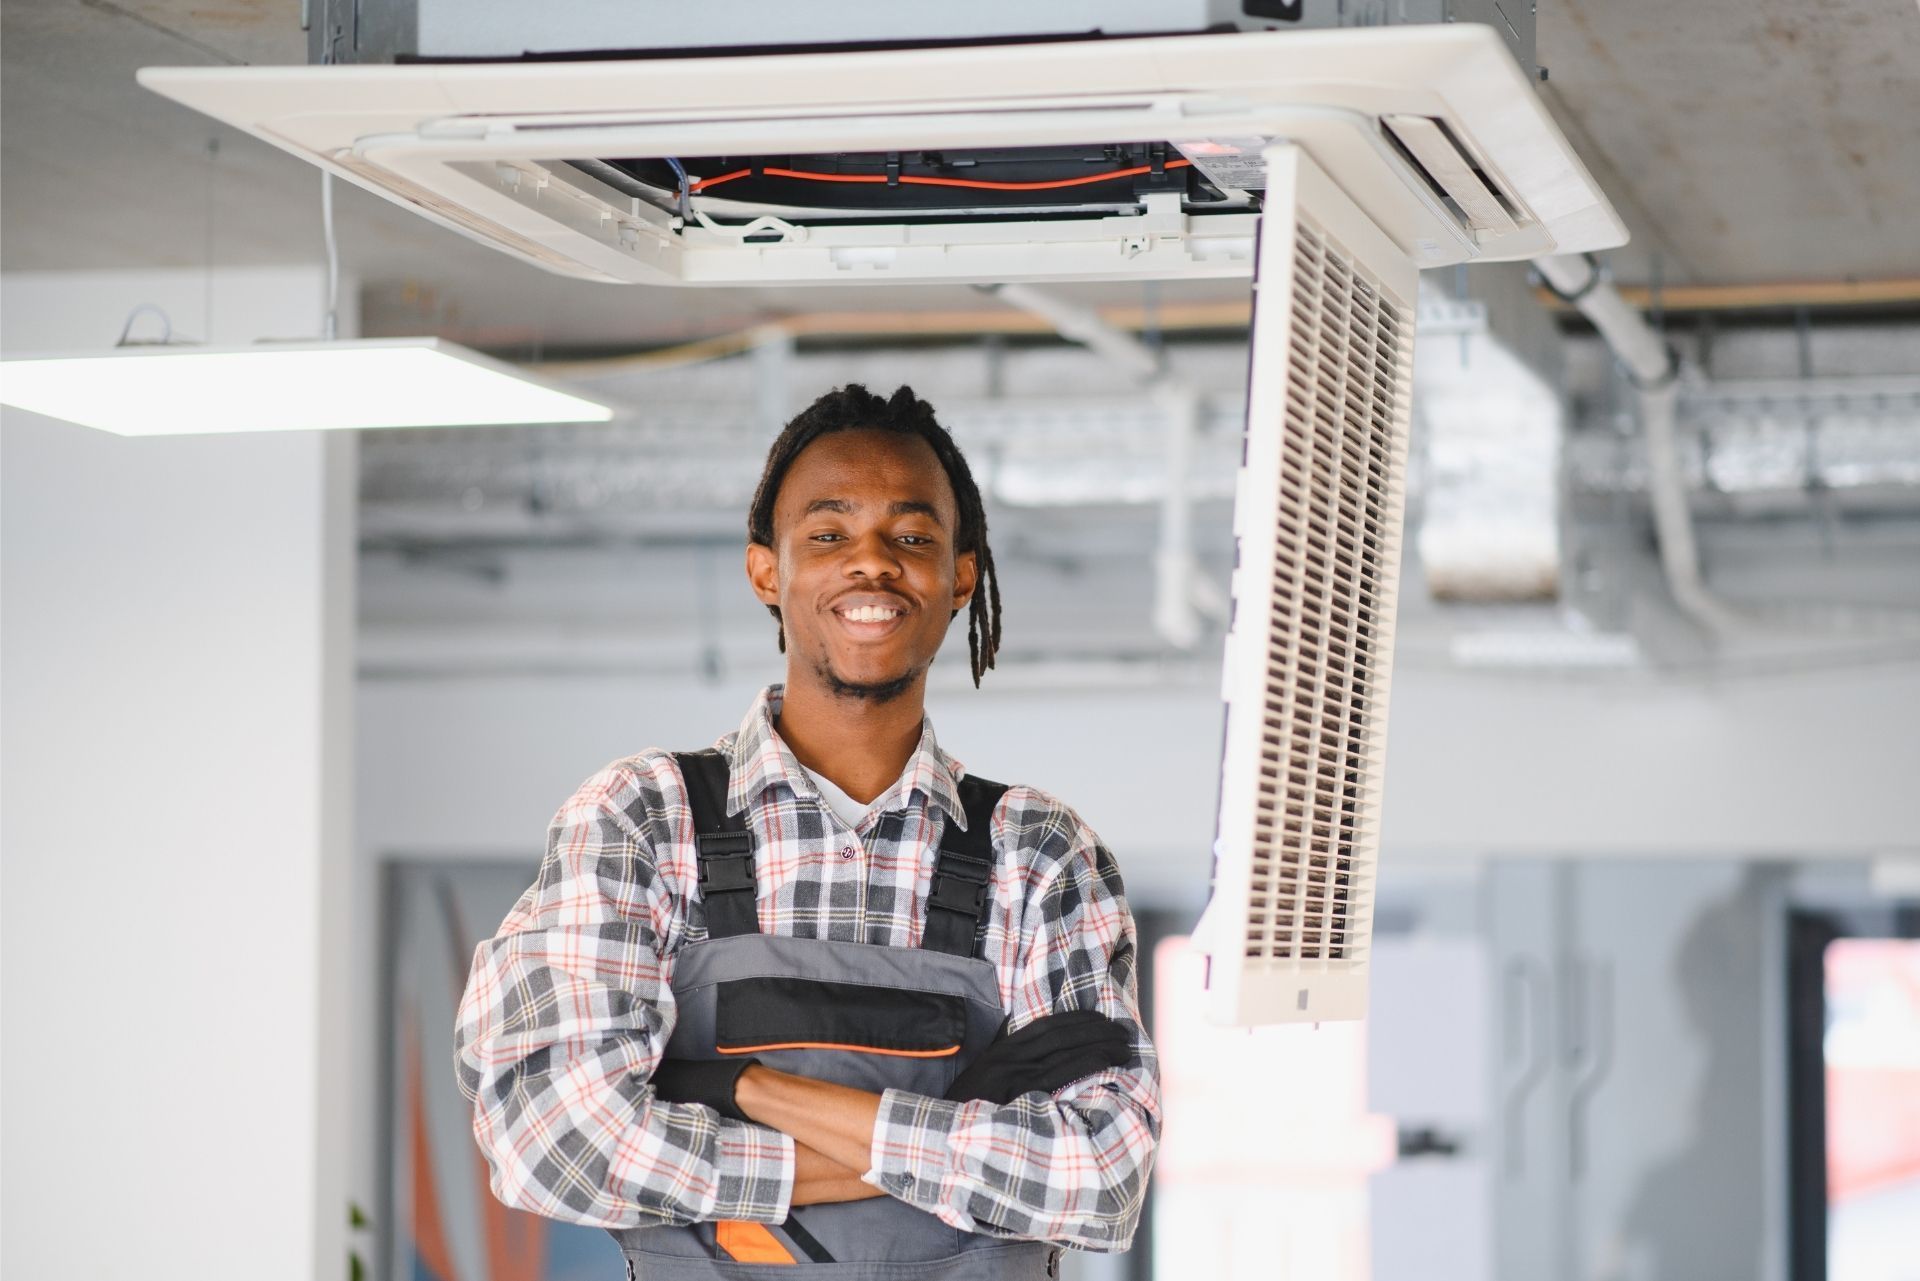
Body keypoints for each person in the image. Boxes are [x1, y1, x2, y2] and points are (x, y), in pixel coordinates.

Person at [455, 383, 1161, 1278]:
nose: (872, 563)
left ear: (960, 577)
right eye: (828, 535)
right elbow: (551, 1139)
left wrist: (746, 1091)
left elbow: (1102, 1177)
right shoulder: (641, 820)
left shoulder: (1039, 853)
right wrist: (951, 1141)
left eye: (912, 537)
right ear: (767, 572)